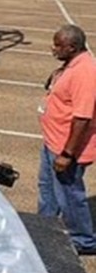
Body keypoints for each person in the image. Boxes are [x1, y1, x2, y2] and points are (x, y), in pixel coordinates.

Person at [38, 24, 96, 255]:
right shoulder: (72, 66)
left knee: (69, 195)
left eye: (58, 45)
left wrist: (67, 154)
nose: (53, 49)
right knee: (47, 189)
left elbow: (82, 118)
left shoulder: (85, 73)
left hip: (66, 149)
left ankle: (83, 240)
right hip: (53, 142)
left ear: (72, 47)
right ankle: (43, 227)